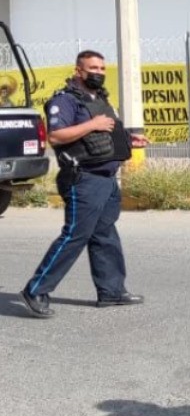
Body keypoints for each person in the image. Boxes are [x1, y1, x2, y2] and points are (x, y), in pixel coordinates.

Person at [19, 50, 148, 319]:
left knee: (105, 234)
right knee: (74, 236)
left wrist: (130, 141)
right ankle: (35, 290)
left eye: (102, 68)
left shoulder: (100, 99)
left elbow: (108, 133)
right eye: (93, 68)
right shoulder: (64, 101)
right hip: (83, 179)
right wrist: (92, 124)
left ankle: (112, 291)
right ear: (79, 71)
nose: (99, 72)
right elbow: (56, 136)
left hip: (106, 179)